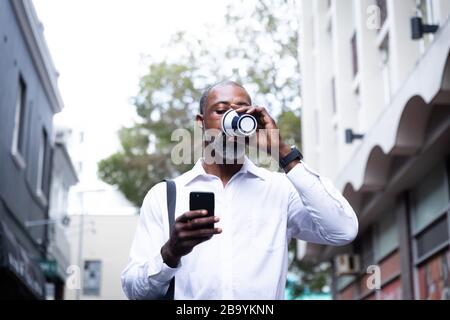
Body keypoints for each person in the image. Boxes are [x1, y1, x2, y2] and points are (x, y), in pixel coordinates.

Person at [121, 81, 358, 299]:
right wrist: (170, 253)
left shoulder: (280, 190)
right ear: (200, 122)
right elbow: (134, 291)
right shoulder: (164, 196)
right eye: (221, 110)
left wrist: (284, 153)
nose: (232, 118)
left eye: (242, 110)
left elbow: (343, 230)